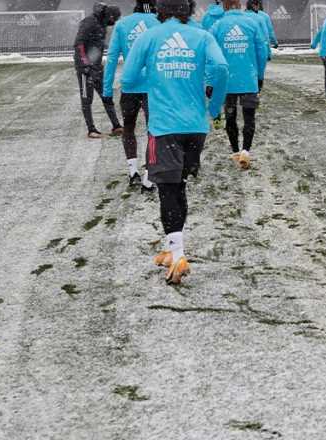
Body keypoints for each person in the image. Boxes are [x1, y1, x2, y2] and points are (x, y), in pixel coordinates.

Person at [122, 0, 229, 284]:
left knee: (168, 189)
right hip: (196, 127)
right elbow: (220, 68)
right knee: (179, 185)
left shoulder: (150, 37)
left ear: (160, 10)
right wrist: (214, 107)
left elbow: (130, 78)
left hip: (165, 128)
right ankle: (173, 249)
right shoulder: (203, 36)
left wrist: (157, 75)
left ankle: (178, 253)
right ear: (189, 10)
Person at [103, 0, 160, 190]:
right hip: (153, 86)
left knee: (128, 127)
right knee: (154, 130)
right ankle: (149, 176)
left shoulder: (122, 24)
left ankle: (133, 170)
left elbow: (111, 58)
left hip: (130, 85)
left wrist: (107, 89)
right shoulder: (158, 22)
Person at [210, 0, 268, 170]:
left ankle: (235, 151)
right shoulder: (252, 23)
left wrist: (212, 80)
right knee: (249, 117)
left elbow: (211, 56)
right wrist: (260, 75)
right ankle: (246, 150)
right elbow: (262, 52)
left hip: (226, 81)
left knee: (230, 117)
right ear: (240, 5)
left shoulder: (217, 26)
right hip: (249, 79)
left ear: (225, 6)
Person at [74, 2, 123, 139]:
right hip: (85, 68)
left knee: (106, 95)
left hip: (96, 67)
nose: (113, 23)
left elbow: (95, 45)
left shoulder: (101, 23)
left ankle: (117, 126)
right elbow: (79, 43)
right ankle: (91, 130)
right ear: (109, 16)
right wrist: (85, 64)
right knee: (86, 99)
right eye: (114, 19)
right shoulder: (89, 22)